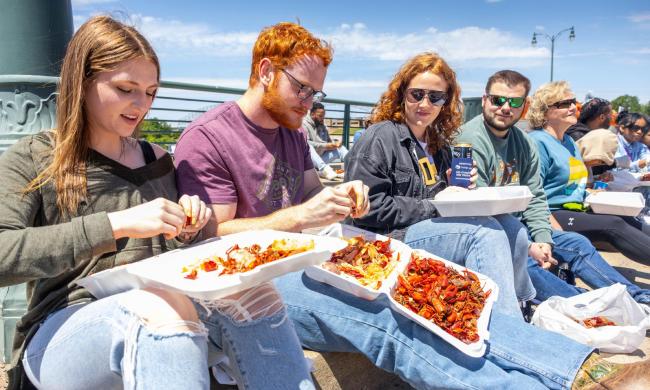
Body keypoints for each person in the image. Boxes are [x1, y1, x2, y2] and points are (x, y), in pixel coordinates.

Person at [174, 25, 648, 387]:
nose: (310, 101)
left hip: (311, 258)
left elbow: (317, 199)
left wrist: (343, 199)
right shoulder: (209, 137)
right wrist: (300, 217)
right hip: (249, 285)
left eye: (316, 92)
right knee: (393, 316)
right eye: (302, 88)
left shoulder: (291, 132)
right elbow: (210, 239)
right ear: (264, 72)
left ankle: (574, 365)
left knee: (451, 283)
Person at [0, 16, 310, 390]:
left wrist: (189, 229)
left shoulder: (159, 159)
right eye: (126, 88)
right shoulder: (35, 157)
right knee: (157, 308)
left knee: (255, 294)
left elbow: (173, 259)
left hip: (163, 316)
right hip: (62, 331)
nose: (140, 105)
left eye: (149, 92)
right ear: (81, 82)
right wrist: (115, 224)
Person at [344, 52, 533, 319]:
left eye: (435, 97)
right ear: (401, 94)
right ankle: (507, 329)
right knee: (485, 232)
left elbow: (439, 200)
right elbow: (368, 209)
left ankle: (522, 305)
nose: (425, 103)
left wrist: (459, 190)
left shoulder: (438, 144)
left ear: (445, 102)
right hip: (387, 238)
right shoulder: (380, 137)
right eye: (416, 94)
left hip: (421, 230)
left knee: (512, 227)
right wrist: (436, 204)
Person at [458, 71, 650, 304]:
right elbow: (478, 210)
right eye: (498, 100)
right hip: (490, 232)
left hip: (522, 226)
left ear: (525, 106)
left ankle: (637, 298)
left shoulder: (525, 141)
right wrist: (529, 245)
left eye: (515, 101)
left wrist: (544, 239)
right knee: (526, 262)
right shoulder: (470, 140)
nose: (505, 107)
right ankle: (590, 307)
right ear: (484, 100)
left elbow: (536, 196)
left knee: (577, 243)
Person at [526, 81, 650, 264]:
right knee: (613, 225)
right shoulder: (537, 142)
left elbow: (572, 184)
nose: (572, 108)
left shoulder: (569, 141)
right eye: (564, 104)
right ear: (545, 111)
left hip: (578, 207)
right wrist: (552, 231)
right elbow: (533, 194)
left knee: (626, 217)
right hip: (554, 212)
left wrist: (593, 191)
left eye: (573, 102)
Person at [303, 103, 347, 180]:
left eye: (323, 116)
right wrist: (326, 145)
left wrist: (335, 143)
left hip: (320, 159)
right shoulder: (304, 124)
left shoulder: (322, 125)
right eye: (320, 116)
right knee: (308, 146)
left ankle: (353, 167)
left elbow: (328, 141)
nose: (322, 118)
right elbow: (305, 143)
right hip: (308, 161)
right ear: (312, 114)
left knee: (341, 149)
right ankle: (324, 170)